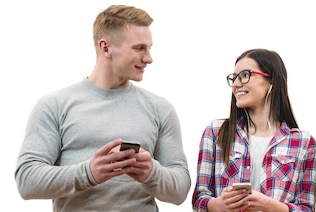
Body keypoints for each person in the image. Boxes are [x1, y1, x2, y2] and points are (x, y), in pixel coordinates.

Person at [14, 5, 191, 211]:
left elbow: (180, 191)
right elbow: (27, 182)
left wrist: (152, 172)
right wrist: (88, 173)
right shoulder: (54, 105)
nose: (148, 58)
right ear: (105, 47)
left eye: (149, 48)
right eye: (139, 48)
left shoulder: (161, 109)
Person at [192, 48, 316, 212]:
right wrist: (217, 206)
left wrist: (273, 207)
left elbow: (307, 208)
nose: (237, 84)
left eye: (245, 75)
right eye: (234, 78)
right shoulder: (215, 132)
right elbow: (199, 200)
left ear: (271, 80)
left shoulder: (304, 142)